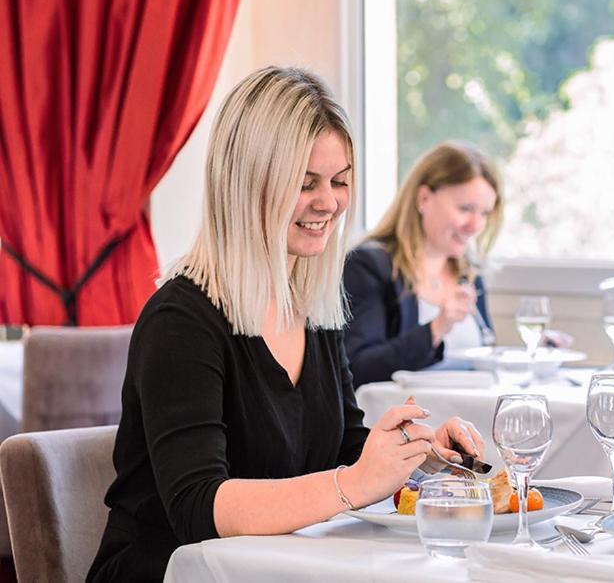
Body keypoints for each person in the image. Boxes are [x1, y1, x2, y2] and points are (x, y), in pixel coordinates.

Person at [88, 68, 483, 582]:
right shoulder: (180, 320)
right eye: (305, 183)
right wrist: (353, 484)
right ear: (248, 183)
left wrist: (418, 455)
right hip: (173, 570)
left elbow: (342, 446)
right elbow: (198, 506)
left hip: (279, 564)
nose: (328, 202)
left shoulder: (314, 308)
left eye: (340, 181)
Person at [343, 141, 503, 388]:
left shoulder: (469, 275)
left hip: (469, 419)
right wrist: (437, 329)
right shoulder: (369, 266)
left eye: (484, 213)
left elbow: (485, 359)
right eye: (465, 209)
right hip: (406, 421)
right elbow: (359, 367)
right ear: (424, 198)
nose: (476, 225)